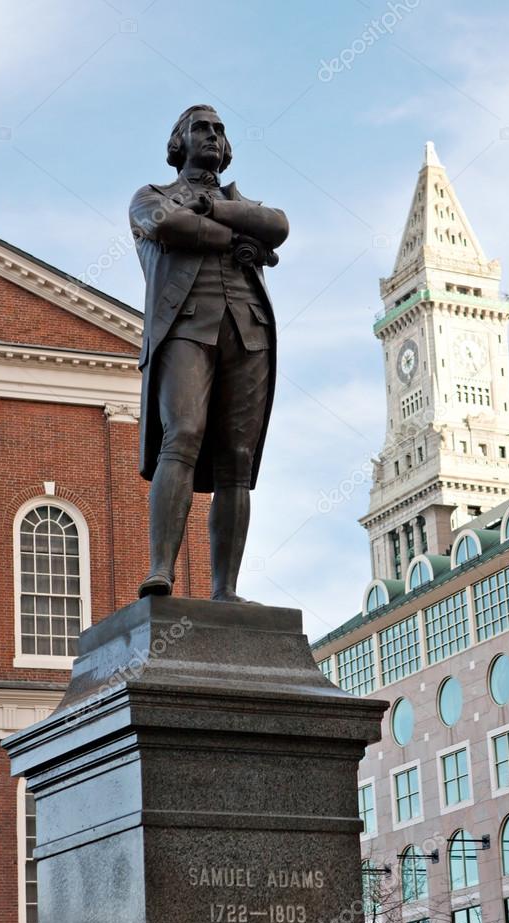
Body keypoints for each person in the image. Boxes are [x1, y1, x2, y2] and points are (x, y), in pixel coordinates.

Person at [129, 104, 289, 601]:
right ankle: (161, 570)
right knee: (183, 434)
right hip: (185, 327)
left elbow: (278, 225)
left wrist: (216, 210)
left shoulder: (244, 203)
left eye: (220, 130)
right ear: (179, 141)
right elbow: (167, 226)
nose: (213, 136)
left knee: (236, 459)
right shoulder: (152, 196)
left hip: (248, 330)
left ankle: (226, 591)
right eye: (202, 128)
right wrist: (237, 239)